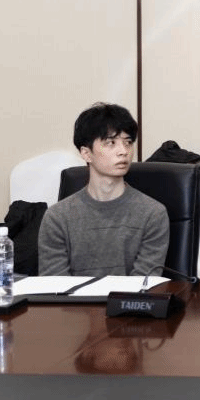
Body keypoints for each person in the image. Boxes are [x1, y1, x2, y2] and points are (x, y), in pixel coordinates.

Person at [38, 103, 170, 277]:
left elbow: (142, 286)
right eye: (110, 143)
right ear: (86, 153)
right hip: (73, 297)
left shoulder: (153, 214)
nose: (123, 151)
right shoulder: (57, 218)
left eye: (128, 142)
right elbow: (56, 286)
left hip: (130, 296)